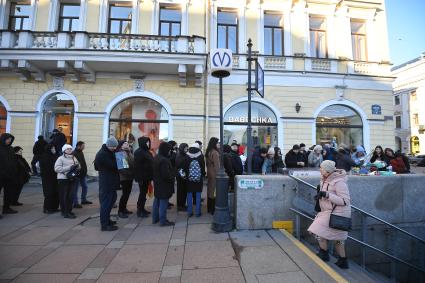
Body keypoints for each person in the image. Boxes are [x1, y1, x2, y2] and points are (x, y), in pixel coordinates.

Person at [308, 160, 351, 269]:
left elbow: (345, 201)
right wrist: (320, 196)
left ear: (327, 170)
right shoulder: (324, 179)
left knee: (338, 239)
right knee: (318, 232)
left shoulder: (339, 182)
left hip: (337, 214)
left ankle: (341, 259)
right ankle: (325, 254)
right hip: (326, 212)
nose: (320, 169)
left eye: (321, 168)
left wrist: (327, 195)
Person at [94, 137, 120, 231]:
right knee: (106, 204)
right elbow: (116, 165)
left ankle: (107, 220)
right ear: (109, 145)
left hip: (111, 182)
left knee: (111, 201)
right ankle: (104, 225)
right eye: (114, 147)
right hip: (107, 183)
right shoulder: (103, 154)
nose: (115, 149)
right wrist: (119, 157)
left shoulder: (109, 152)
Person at [152, 142, 175, 226]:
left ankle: (155, 218)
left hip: (157, 183)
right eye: (169, 150)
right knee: (163, 203)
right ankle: (163, 220)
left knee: (157, 200)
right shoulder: (164, 160)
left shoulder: (156, 157)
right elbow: (166, 175)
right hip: (164, 185)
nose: (170, 152)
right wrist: (173, 175)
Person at [54, 144, 80, 219]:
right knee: (64, 196)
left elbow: (78, 165)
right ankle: (65, 212)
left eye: (70, 149)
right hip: (63, 179)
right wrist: (69, 168)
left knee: (71, 196)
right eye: (67, 149)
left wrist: (77, 168)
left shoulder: (73, 157)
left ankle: (69, 210)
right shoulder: (60, 158)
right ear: (64, 150)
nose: (69, 150)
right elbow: (57, 169)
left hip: (72, 178)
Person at [134, 136, 153, 218]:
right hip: (142, 177)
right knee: (142, 194)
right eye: (146, 142)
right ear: (142, 143)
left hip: (147, 176)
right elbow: (138, 166)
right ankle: (139, 210)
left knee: (144, 193)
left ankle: (142, 208)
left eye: (149, 142)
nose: (148, 143)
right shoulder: (139, 152)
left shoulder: (146, 151)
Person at [184, 143, 205, 217]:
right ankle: (198, 212)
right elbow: (203, 168)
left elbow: (185, 167)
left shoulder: (187, 156)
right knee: (198, 194)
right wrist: (202, 175)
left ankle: (189, 212)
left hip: (189, 179)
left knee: (189, 194)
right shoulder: (201, 156)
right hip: (198, 179)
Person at [0, 133, 19, 215]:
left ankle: (6, 208)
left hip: (10, 175)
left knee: (8, 193)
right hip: (1, 175)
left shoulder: (11, 149)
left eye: (10, 140)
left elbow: (13, 161)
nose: (9, 141)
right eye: (8, 139)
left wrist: (14, 171)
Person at [117, 141, 135, 218]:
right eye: (125, 143)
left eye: (127, 143)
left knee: (127, 194)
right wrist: (130, 174)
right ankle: (120, 211)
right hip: (124, 177)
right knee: (124, 194)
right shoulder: (120, 154)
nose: (127, 144)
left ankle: (124, 208)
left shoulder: (129, 152)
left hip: (130, 177)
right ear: (121, 146)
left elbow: (133, 163)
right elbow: (121, 168)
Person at [40, 143, 60, 213]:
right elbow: (45, 169)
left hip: (55, 178)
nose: (54, 150)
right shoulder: (44, 157)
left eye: (54, 148)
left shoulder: (55, 156)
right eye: (52, 148)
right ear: (49, 149)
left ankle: (54, 207)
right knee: (49, 193)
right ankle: (47, 208)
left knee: (56, 192)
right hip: (48, 178)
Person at [73, 141, 91, 208]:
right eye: (83, 146)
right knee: (75, 189)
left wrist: (85, 171)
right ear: (79, 146)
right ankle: (75, 203)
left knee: (85, 186)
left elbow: (83, 163)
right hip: (77, 174)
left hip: (83, 174)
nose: (84, 147)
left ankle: (83, 200)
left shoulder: (81, 152)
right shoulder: (74, 153)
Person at [206, 137, 220, 214]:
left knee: (210, 191)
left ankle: (209, 208)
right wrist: (219, 175)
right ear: (214, 143)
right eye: (218, 143)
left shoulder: (209, 151)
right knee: (214, 192)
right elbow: (217, 166)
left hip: (209, 173)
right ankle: (212, 210)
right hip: (214, 174)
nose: (219, 144)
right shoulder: (215, 152)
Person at [175, 143, 189, 211]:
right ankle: (180, 206)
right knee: (181, 191)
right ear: (182, 148)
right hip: (181, 177)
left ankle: (182, 204)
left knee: (183, 191)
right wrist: (184, 177)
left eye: (187, 148)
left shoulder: (184, 155)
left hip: (184, 176)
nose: (186, 149)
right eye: (185, 148)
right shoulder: (179, 156)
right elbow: (180, 168)